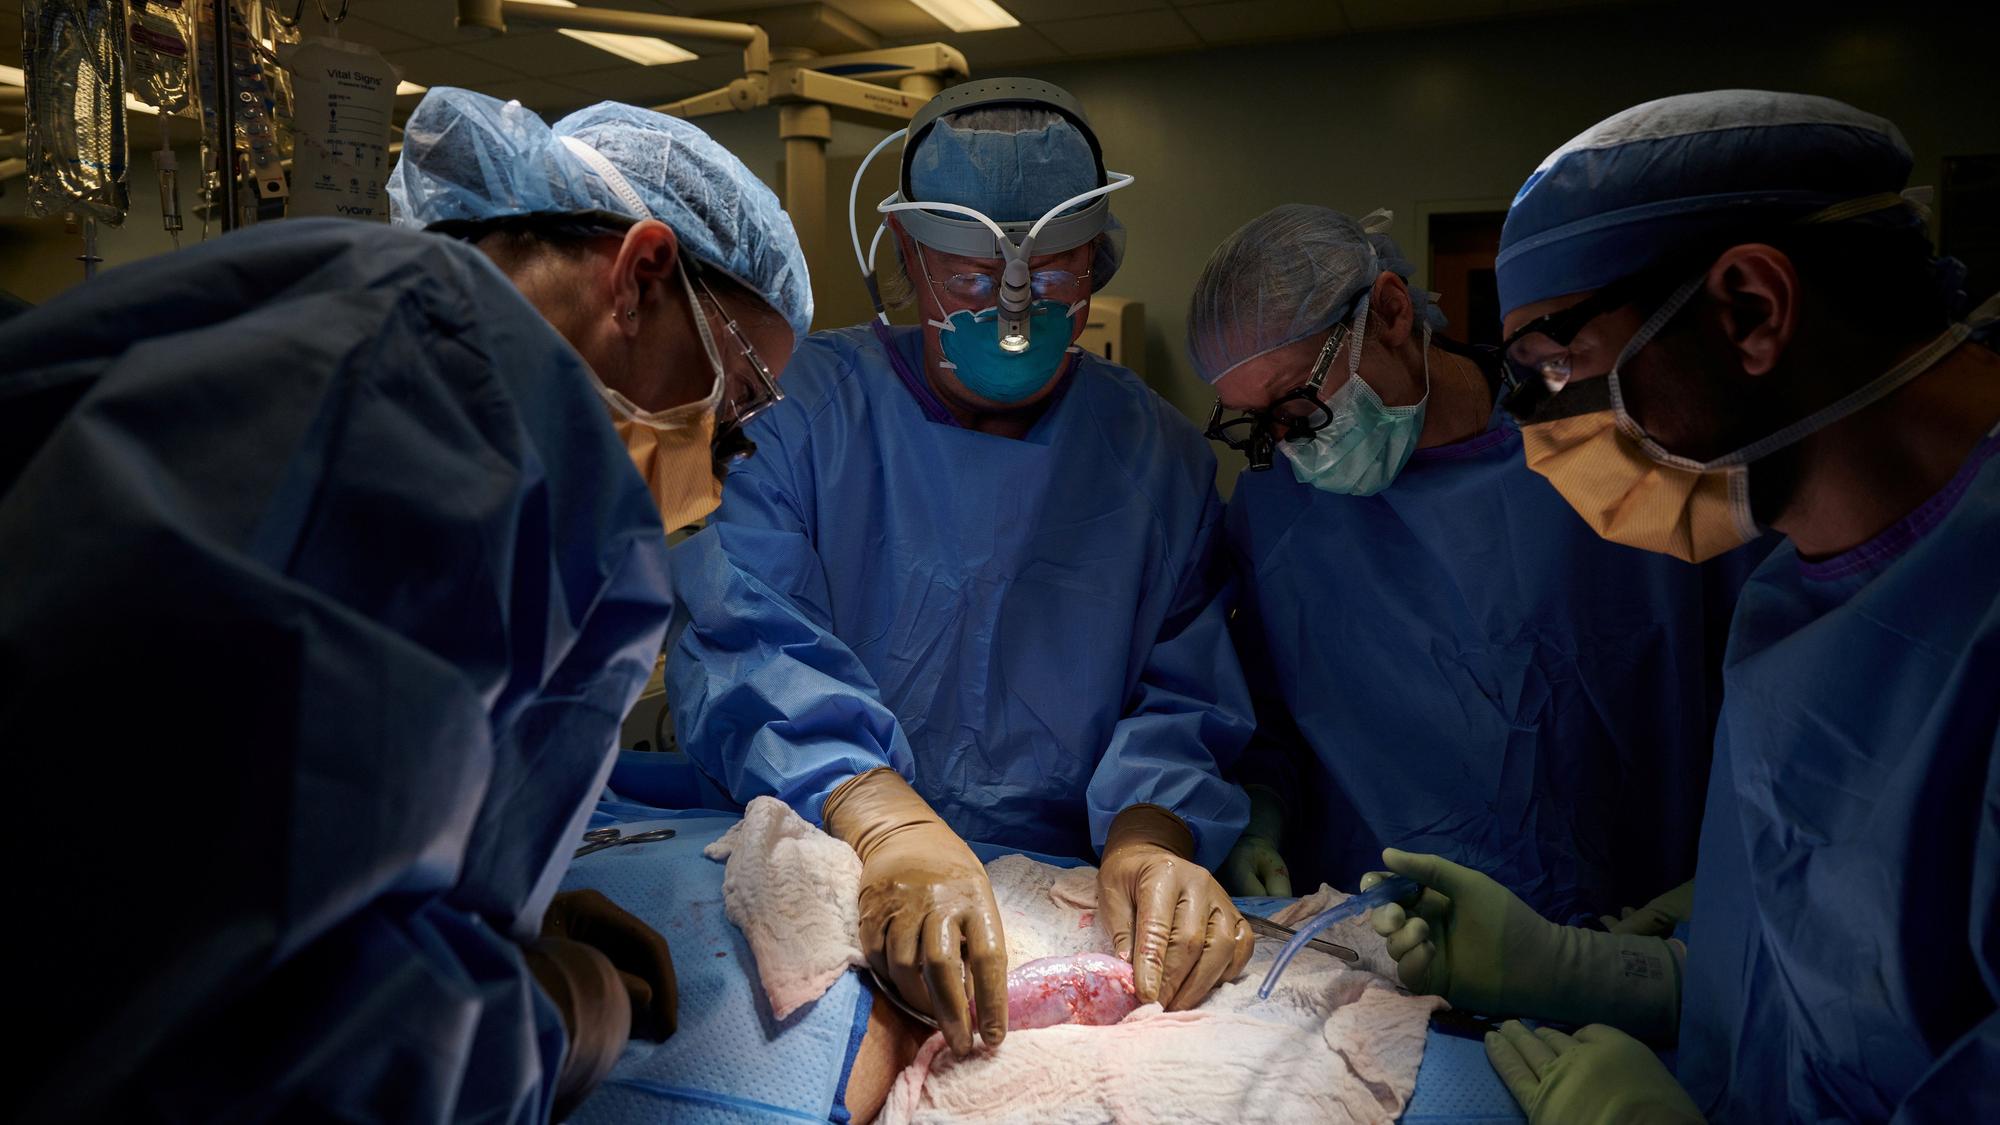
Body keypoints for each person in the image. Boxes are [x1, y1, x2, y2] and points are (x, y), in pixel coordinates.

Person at [1, 87, 807, 1122]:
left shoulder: (372, 327)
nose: (719, 463)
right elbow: (237, 1009)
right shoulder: (446, 401)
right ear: (642, 275)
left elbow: (257, 782)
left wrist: (496, 913)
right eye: (731, 403)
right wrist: (540, 1017)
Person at [1362, 90, 1999, 1122]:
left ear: (1748, 308)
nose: (1541, 432)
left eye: (1557, 363)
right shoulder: (1797, 588)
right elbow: (1829, 985)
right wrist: (1585, 971)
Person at [666, 77, 1255, 1058]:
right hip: (827, 862)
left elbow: (1184, 690)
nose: (1014, 307)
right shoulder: (797, 414)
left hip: (1063, 901)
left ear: (1098, 257)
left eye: (1051, 274)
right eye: (973, 279)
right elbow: (747, 645)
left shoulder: (1153, 455)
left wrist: (1150, 840)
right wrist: (885, 823)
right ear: (905, 254)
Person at [1192, 205, 1766, 923]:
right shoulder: (1278, 511)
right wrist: (1261, 811)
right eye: (1257, 424)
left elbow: (1757, 680)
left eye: (1298, 402)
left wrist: (1709, 902)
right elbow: (1264, 708)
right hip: (1381, 937)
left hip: (1628, 935)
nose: (1291, 442)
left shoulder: (1613, 456)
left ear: (1393, 311)